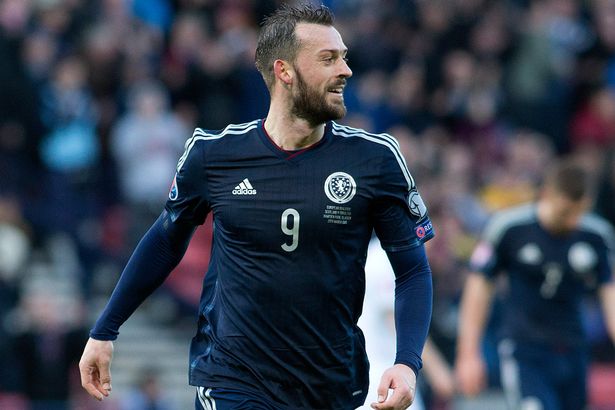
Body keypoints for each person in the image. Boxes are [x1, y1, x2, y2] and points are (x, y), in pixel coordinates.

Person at [79, 4, 435, 410]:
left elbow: (412, 269)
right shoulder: (214, 155)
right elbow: (164, 243)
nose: (345, 70)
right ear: (284, 71)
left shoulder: (376, 160)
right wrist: (105, 329)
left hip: (330, 383)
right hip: (234, 378)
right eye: (328, 58)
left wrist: (407, 363)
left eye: (344, 57)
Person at [455, 159, 615, 410]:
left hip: (574, 351)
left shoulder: (597, 236)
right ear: (546, 194)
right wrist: (468, 354)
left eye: (580, 212)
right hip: (525, 350)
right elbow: (478, 289)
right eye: (565, 213)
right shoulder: (508, 229)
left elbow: (610, 296)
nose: (573, 221)